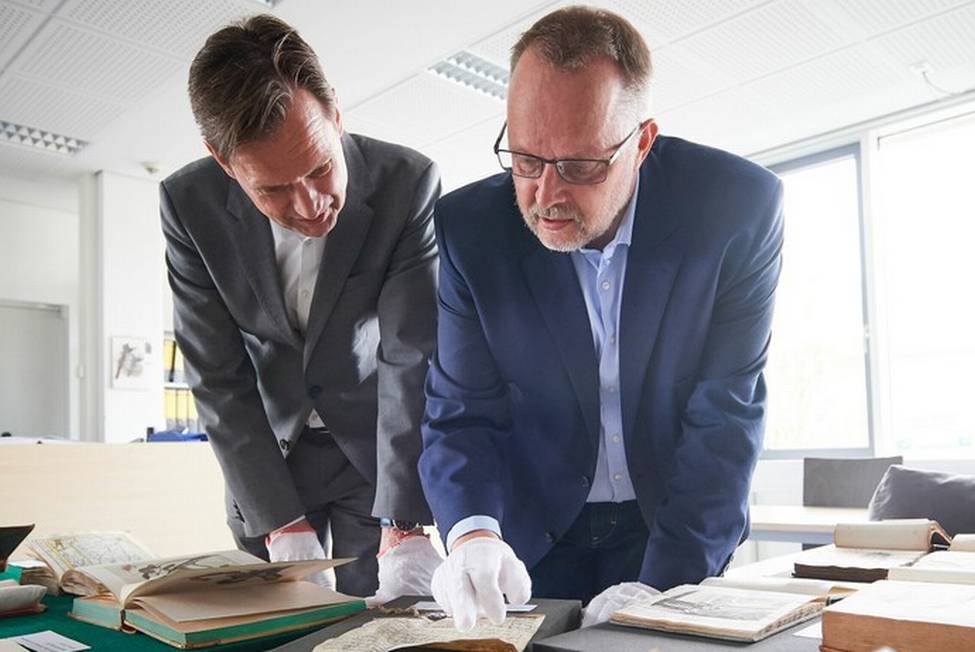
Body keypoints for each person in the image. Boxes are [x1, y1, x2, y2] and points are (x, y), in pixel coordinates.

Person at [420, 6, 784, 630]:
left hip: (671, 522)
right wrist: (472, 534)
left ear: (640, 143)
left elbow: (725, 414)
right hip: (532, 535)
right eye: (527, 159)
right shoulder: (469, 231)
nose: (546, 194)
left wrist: (663, 585)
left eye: (580, 166)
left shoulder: (736, 209)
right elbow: (461, 413)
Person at [161, 14, 442, 599]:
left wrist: (407, 519)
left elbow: (410, 357)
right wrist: (280, 522)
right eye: (273, 189)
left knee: (385, 625)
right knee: (276, 624)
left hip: (375, 452)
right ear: (223, 160)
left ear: (335, 113)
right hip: (269, 455)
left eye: (320, 167)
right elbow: (218, 375)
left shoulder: (407, 183)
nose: (311, 204)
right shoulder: (189, 205)